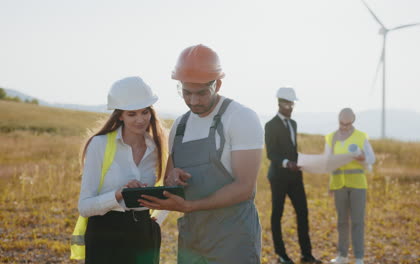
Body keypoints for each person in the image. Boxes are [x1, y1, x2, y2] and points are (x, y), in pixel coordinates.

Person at [138, 44, 264, 264]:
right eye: (186, 93)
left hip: (233, 238)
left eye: (201, 93)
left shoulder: (241, 118)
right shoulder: (180, 125)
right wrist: (174, 178)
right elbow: (170, 179)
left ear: (218, 84)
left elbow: (244, 188)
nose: (193, 101)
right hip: (192, 239)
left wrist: (190, 206)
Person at [78, 76, 166, 264]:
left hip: (144, 235)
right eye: (132, 114)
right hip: (105, 234)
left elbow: (168, 188)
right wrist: (119, 194)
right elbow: (84, 207)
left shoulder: (157, 148)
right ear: (120, 115)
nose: (140, 120)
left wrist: (157, 222)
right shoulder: (99, 145)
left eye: (145, 112)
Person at [264, 87, 322, 264]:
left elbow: (293, 150)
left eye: (292, 103)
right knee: (277, 215)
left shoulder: (293, 124)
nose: (290, 107)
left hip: (296, 177)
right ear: (279, 103)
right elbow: (271, 154)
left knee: (303, 213)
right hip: (278, 177)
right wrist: (285, 163)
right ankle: (282, 255)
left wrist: (303, 162)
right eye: (287, 103)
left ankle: (307, 255)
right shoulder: (270, 125)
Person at [325, 108, 375, 264]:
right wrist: (330, 184)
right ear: (338, 120)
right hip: (339, 184)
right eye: (341, 123)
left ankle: (359, 258)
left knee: (357, 221)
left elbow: (371, 159)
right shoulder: (331, 138)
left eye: (347, 124)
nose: (344, 126)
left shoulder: (361, 137)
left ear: (353, 121)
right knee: (341, 222)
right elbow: (328, 162)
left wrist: (362, 158)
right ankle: (342, 255)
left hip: (358, 185)